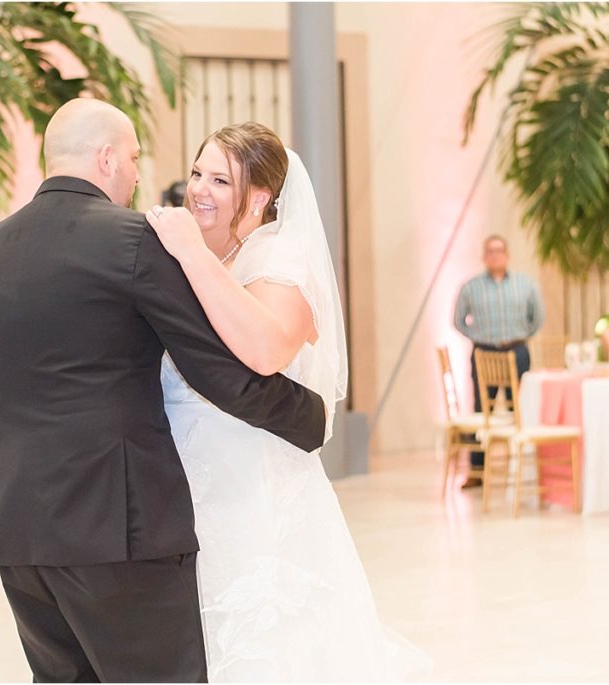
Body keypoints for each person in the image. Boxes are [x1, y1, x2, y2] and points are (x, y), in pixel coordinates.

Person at [0, 100, 326, 683]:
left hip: (17, 529)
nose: (139, 174)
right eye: (133, 158)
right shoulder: (135, 240)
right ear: (105, 157)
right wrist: (309, 415)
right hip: (118, 525)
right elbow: (218, 373)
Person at [145, 122, 431, 681]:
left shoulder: (279, 259)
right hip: (201, 492)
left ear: (258, 199)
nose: (199, 188)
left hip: (255, 495)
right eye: (198, 173)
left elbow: (266, 349)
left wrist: (189, 254)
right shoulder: (219, 260)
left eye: (220, 180)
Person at [452, 234, 544, 487]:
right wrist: (478, 337)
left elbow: (537, 318)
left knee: (521, 407)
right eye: (490, 251)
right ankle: (476, 470)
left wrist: (522, 337)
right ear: (484, 257)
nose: (495, 255)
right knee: (482, 408)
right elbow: (458, 320)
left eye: (499, 251)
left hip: (517, 352)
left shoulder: (526, 285)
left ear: (507, 254)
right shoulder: (471, 287)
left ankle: (523, 467)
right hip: (484, 354)